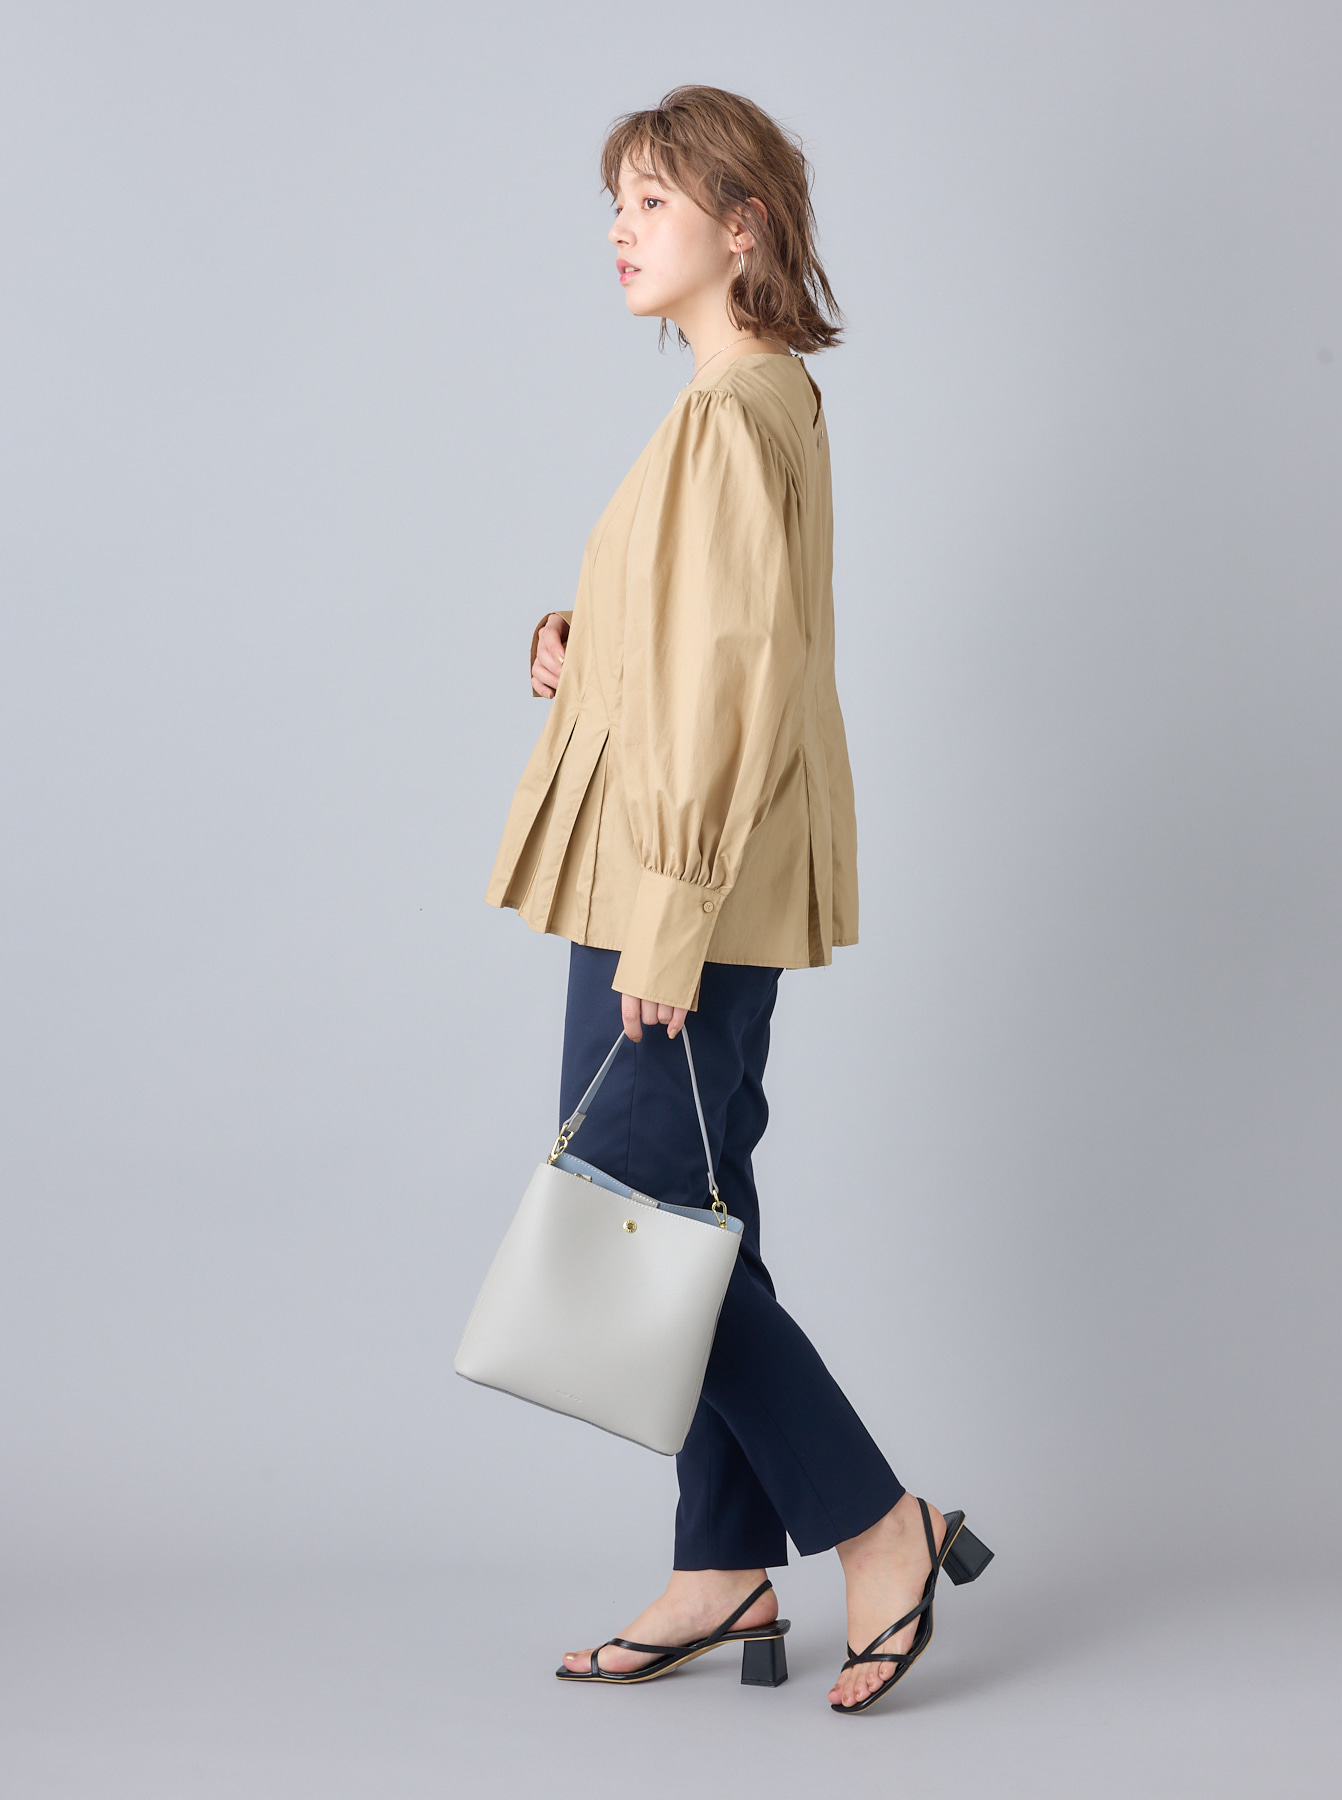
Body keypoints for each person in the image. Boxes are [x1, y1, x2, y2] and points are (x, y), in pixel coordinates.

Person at [484, 84, 990, 1715]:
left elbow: (738, 693)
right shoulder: (758, 402)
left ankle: (882, 1526)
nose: (619, 231)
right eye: (617, 203)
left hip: (671, 879)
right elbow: (710, 643)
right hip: (670, 864)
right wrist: (580, 640)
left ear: (742, 223)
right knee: (692, 1214)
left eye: (652, 201)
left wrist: (675, 913)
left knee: (635, 1215)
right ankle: (721, 1563)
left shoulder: (731, 411)